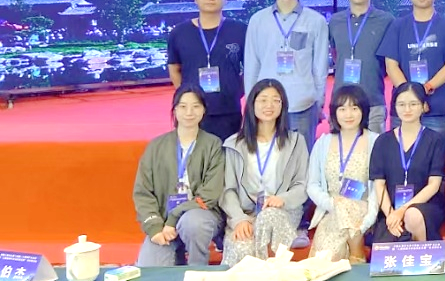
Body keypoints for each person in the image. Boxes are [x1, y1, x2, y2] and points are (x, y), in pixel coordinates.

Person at [132, 84, 225, 267]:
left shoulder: (213, 145)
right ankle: (177, 258)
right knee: (150, 268)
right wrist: (155, 227)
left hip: (200, 215)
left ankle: (198, 271)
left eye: (196, 106)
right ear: (174, 110)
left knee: (193, 224)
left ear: (204, 110)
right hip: (164, 222)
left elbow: (210, 194)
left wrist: (174, 217)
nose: (189, 112)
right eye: (183, 106)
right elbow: (143, 192)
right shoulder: (156, 147)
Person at [221, 79, 310, 267]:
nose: (269, 105)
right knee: (241, 248)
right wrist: (239, 219)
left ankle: (269, 275)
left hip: (283, 211)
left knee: (270, 216)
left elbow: (302, 185)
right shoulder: (234, 144)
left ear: (283, 105)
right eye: (263, 100)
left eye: (276, 100)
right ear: (251, 104)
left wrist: (283, 199)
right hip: (247, 213)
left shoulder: (296, 141)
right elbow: (228, 191)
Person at [243, 0, 329, 150]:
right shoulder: (258, 20)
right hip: (267, 104)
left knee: (302, 157)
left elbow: (320, 66)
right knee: (267, 156)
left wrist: (319, 101)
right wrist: (251, 101)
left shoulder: (316, 21)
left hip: (303, 103)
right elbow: (252, 65)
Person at [377, 0, 445, 134]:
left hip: (436, 109)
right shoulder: (398, 25)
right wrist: (411, 97)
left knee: (435, 151)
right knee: (400, 151)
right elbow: (391, 66)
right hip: (403, 109)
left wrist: (426, 89)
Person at [166, 0, 248, 141]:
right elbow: (174, 68)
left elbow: (251, 67)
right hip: (192, 111)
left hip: (228, 109)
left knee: (227, 153)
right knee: (193, 154)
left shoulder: (240, 30)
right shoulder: (179, 32)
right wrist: (187, 96)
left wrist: (236, 91)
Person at [368, 81, 445, 245]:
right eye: (401, 104)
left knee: (413, 215)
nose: (407, 109)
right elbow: (379, 184)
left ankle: (422, 254)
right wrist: (391, 214)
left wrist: (403, 210)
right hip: (391, 207)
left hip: (426, 205)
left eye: (413, 104)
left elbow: (434, 185)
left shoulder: (435, 140)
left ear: (424, 106)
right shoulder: (383, 141)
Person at [307, 84, 379, 262]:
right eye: (342, 109)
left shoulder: (375, 142)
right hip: (331, 209)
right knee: (325, 258)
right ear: (334, 112)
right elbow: (312, 185)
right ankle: (357, 254)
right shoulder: (323, 143)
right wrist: (331, 203)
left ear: (363, 111)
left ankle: (357, 253)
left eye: (354, 108)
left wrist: (368, 219)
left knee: (348, 207)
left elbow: (379, 187)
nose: (348, 114)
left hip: (363, 209)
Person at [328, 0, 394, 133]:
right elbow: (335, 53)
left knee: (373, 148)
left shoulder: (386, 20)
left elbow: (390, 60)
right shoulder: (335, 21)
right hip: (341, 101)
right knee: (340, 147)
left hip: (373, 101)